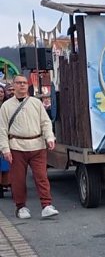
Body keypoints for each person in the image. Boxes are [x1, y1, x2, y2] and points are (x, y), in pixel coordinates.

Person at [0, 75, 58, 220]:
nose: (22, 85)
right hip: (16, 147)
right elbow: (2, 129)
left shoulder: (36, 103)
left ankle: (46, 205)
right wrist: (5, 149)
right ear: (13, 86)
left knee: (42, 177)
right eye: (19, 83)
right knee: (18, 179)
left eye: (24, 83)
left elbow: (45, 122)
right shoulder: (6, 106)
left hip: (37, 145)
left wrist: (49, 137)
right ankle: (21, 207)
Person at [0, 86, 11, 196]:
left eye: (2, 91)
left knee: (7, 162)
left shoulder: (8, 105)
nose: (0, 94)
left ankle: (8, 183)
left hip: (7, 135)